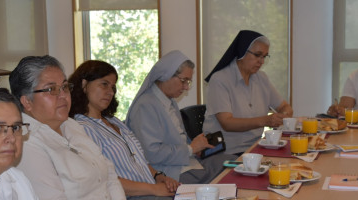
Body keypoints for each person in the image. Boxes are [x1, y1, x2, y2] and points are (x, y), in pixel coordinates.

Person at [9, 55, 125, 200]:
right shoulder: (26, 143)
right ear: (27, 101)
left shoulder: (70, 124)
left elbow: (109, 174)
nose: (63, 95)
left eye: (64, 87)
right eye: (51, 89)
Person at [69, 60, 179, 199]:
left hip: (150, 191)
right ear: (84, 85)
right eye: (104, 84)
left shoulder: (113, 121)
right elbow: (101, 180)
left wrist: (158, 176)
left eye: (113, 87)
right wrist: (154, 189)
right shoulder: (80, 128)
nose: (110, 92)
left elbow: (136, 159)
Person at [126, 50, 229, 184]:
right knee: (227, 174)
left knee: (232, 161)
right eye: (183, 80)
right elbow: (152, 154)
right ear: (166, 75)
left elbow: (177, 140)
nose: (186, 87)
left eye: (188, 82)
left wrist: (196, 147)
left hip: (184, 162)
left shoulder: (169, 101)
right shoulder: (145, 106)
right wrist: (190, 149)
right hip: (168, 173)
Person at [202, 30, 293, 156]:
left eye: (265, 56)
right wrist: (265, 121)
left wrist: (283, 117)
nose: (261, 61)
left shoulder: (262, 78)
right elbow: (227, 123)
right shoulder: (220, 79)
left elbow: (284, 107)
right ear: (242, 52)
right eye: (257, 55)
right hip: (226, 152)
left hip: (256, 148)